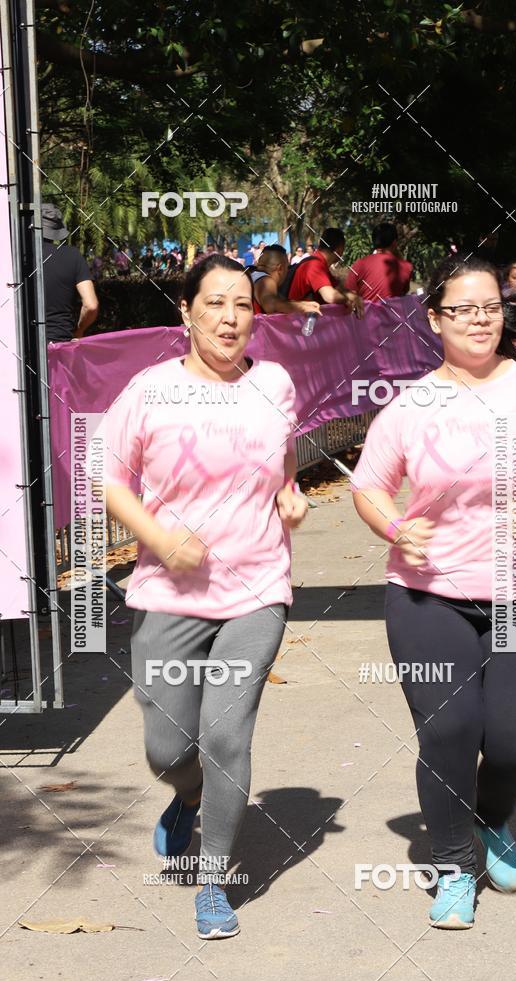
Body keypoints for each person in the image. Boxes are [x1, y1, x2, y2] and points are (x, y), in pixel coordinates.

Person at [351, 256, 516, 930]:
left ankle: (491, 817)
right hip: (429, 595)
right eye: (463, 308)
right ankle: (454, 863)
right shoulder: (411, 403)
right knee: (449, 729)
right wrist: (396, 527)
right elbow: (369, 485)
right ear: (435, 319)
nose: (479, 319)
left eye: (489, 306)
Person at [101, 254, 307, 939]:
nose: (229, 317)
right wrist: (160, 536)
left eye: (242, 304)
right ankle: (189, 791)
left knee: (225, 733)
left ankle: (213, 878)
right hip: (169, 587)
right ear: (185, 311)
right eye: (214, 302)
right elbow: (110, 482)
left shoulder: (275, 383)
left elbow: (281, 461)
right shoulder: (150, 390)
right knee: (167, 745)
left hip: (256, 584)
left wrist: (288, 493)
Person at [41, 203, 99, 341]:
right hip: (60, 343)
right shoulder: (73, 256)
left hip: (21, 343)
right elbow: (91, 305)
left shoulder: (16, 257)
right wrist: (79, 330)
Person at [287, 227, 364, 317]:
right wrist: (349, 299)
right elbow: (330, 296)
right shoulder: (314, 264)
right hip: (300, 324)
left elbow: (338, 288)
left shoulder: (320, 264)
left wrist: (352, 295)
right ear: (339, 249)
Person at [345, 223, 413, 302]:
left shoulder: (359, 264)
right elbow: (403, 293)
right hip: (392, 314)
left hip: (366, 313)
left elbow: (350, 296)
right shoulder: (407, 267)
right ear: (394, 243)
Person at [250, 244, 321, 317]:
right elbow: (271, 304)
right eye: (287, 267)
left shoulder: (253, 274)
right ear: (280, 268)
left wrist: (304, 304)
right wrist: (302, 307)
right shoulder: (266, 280)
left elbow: (280, 300)